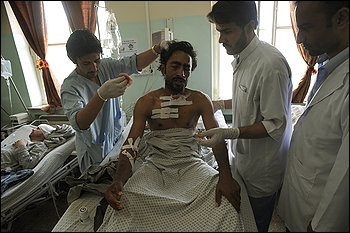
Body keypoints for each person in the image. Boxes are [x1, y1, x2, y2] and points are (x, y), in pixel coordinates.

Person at [100, 40, 244, 232]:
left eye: (187, 68)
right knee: (127, 199)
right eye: (175, 66)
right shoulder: (146, 102)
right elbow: (131, 145)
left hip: (191, 163)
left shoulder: (200, 100)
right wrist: (118, 180)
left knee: (225, 203)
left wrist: (226, 176)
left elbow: (216, 139)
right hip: (156, 166)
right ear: (162, 69)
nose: (181, 73)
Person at [196, 1, 293, 232]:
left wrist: (231, 132)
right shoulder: (243, 58)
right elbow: (250, 99)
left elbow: (275, 125)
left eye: (227, 31)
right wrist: (219, 104)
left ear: (250, 27)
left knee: (255, 225)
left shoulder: (270, 65)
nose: (221, 39)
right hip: (242, 162)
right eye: (219, 31)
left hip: (262, 171)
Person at [277, 1, 349, 232]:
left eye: (306, 27)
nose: (299, 39)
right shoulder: (328, 66)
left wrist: (321, 226)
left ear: (341, 18)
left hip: (317, 220)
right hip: (300, 203)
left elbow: (345, 174)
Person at [61, 28, 164, 173]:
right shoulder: (70, 87)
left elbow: (134, 63)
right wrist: (101, 95)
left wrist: (157, 49)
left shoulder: (106, 67)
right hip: (95, 152)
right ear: (74, 61)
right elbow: (80, 123)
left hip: (116, 141)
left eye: (97, 60)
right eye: (86, 63)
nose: (94, 67)